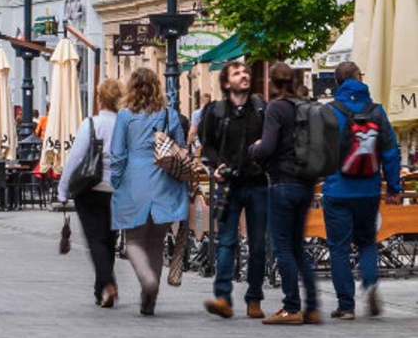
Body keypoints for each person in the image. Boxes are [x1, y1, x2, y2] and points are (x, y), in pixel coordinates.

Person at [320, 61, 402, 319]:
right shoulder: (377, 112)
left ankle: (346, 306)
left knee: (339, 248)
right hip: (368, 189)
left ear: (337, 83)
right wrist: (394, 187)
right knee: (367, 242)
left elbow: (318, 151)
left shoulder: (330, 112)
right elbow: (390, 152)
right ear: (359, 78)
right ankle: (370, 283)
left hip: (337, 190)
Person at [109, 67, 188, 316]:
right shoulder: (170, 115)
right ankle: (150, 294)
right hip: (165, 181)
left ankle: (147, 281)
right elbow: (182, 149)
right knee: (156, 240)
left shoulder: (124, 116)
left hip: (135, 179)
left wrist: (116, 182)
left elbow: (118, 154)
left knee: (133, 239)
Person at [249, 62, 321, 325]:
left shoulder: (276, 108)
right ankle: (312, 306)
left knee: (283, 247)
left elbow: (267, 147)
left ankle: (292, 307)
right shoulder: (307, 107)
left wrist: (253, 149)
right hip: (306, 183)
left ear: (273, 82)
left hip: (282, 183)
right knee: (298, 246)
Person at [199, 62, 268, 320]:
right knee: (226, 242)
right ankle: (223, 298)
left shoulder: (261, 108)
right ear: (227, 83)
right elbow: (208, 145)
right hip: (229, 185)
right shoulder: (215, 111)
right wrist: (217, 166)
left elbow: (272, 142)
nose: (245, 75)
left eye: (246, 72)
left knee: (258, 244)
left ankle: (254, 299)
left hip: (258, 183)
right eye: (238, 73)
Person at [58, 78, 123, 308]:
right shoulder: (125, 124)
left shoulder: (91, 124)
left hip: (90, 188)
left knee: (95, 239)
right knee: (109, 239)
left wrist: (63, 188)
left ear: (99, 99)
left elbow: (75, 157)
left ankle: (107, 285)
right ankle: (101, 291)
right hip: (117, 190)